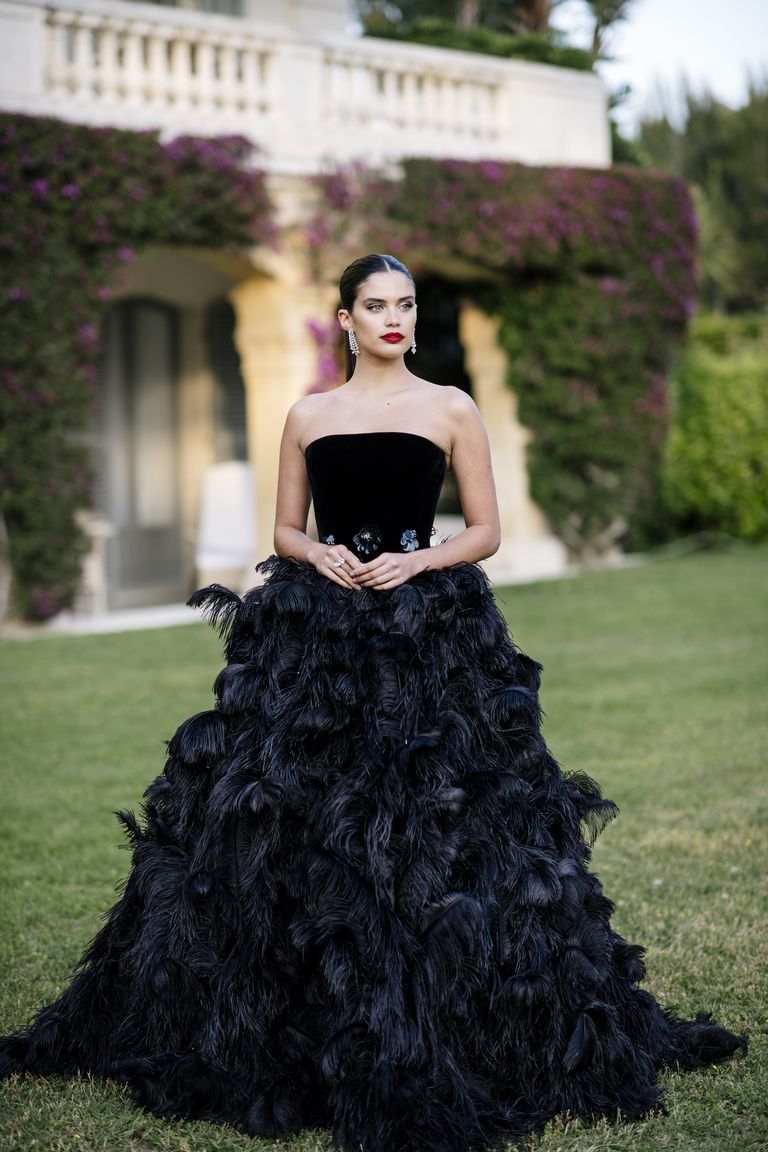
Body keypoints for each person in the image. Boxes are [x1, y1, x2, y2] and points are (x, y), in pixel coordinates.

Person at [0, 253, 746, 1152]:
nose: (395, 320)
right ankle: (300, 1010)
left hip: (432, 632)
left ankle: (465, 1008)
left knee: (449, 819)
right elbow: (283, 528)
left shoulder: (450, 406)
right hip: (318, 638)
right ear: (344, 321)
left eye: (407, 306)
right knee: (289, 820)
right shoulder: (310, 414)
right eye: (376, 307)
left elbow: (486, 530)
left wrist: (417, 559)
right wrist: (321, 558)